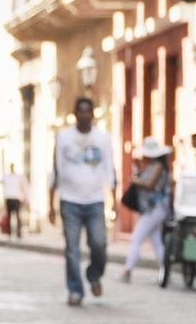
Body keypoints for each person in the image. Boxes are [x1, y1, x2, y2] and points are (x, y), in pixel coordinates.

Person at [49, 97, 116, 306]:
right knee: (72, 248)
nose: (85, 115)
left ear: (93, 114)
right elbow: (56, 169)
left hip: (95, 200)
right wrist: (50, 202)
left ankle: (94, 274)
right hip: (69, 200)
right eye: (81, 112)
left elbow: (110, 168)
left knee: (99, 243)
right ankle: (75, 290)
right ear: (75, 114)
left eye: (89, 112)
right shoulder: (64, 137)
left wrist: (115, 200)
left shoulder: (103, 138)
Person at [121, 138, 172, 282]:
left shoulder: (157, 167)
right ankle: (165, 271)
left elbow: (150, 185)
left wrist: (135, 181)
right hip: (152, 209)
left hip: (154, 209)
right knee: (156, 241)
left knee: (136, 237)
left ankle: (128, 270)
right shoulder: (152, 166)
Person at [1, 163, 28, 238]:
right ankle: (9, 232)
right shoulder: (6, 177)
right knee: (9, 216)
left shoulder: (18, 177)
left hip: (17, 198)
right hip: (9, 197)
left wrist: (25, 197)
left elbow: (23, 186)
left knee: (18, 216)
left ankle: (19, 232)